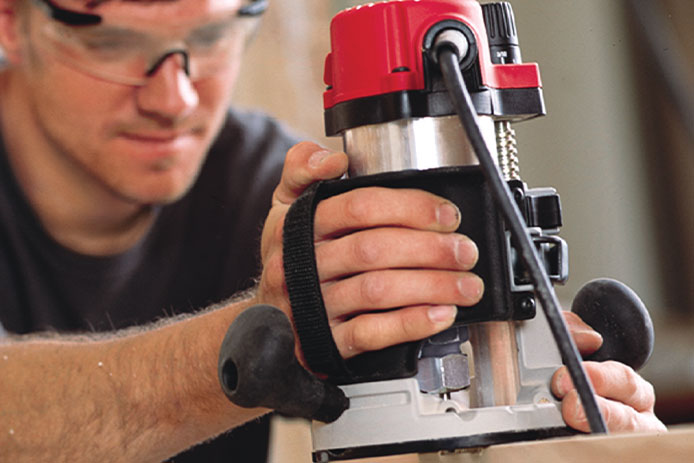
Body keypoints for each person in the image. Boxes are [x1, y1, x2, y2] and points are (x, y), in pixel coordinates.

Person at [0, 0, 666, 462]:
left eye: (209, 38)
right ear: (10, 21)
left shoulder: (262, 186)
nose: (173, 99)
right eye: (113, 44)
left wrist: (589, 428)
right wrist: (252, 345)